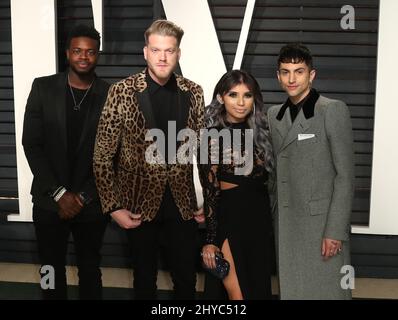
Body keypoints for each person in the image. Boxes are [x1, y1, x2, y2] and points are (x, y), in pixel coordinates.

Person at [93, 19, 205, 300]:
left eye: (169, 50)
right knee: (144, 282)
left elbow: (203, 152)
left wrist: (207, 202)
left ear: (178, 53)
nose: (163, 57)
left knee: (186, 282)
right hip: (137, 205)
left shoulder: (194, 92)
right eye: (156, 50)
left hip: (183, 205)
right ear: (146, 52)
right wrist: (113, 207)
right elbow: (102, 154)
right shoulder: (122, 91)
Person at [22, 24, 110, 299]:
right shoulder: (43, 87)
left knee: (90, 268)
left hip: (91, 202)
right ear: (67, 53)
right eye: (77, 51)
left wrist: (82, 196)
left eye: (90, 52)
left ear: (97, 55)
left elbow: (114, 155)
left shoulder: (111, 95)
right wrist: (60, 194)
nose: (83, 57)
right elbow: (32, 145)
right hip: (50, 199)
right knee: (49, 268)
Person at [267, 43, 354, 299]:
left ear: (311, 75)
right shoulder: (274, 115)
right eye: (285, 72)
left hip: (321, 227)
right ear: (278, 76)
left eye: (299, 71)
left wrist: (335, 231)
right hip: (285, 223)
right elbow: (273, 173)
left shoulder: (332, 110)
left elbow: (345, 176)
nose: (292, 78)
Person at [200, 70, 274, 300]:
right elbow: (210, 191)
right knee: (237, 295)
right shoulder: (210, 136)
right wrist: (211, 241)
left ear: (254, 99)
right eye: (233, 95)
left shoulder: (263, 133)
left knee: (258, 290)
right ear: (221, 98)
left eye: (247, 95)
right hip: (230, 220)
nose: (241, 103)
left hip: (260, 222)